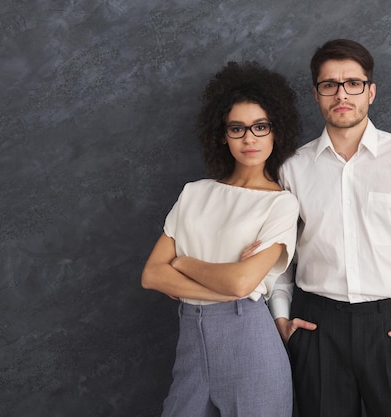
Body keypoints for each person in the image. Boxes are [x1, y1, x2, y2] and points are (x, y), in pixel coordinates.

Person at [267, 39, 391, 417]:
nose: (342, 94)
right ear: (316, 94)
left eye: (353, 83)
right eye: (330, 84)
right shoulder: (292, 168)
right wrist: (281, 318)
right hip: (316, 330)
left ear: (370, 92)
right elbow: (280, 260)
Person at [141, 61, 301, 417]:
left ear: (276, 132)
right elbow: (152, 275)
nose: (249, 138)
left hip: (249, 343)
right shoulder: (194, 194)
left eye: (261, 127)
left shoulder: (281, 204)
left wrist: (183, 264)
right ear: (222, 135)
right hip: (192, 342)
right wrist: (228, 283)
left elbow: (242, 281)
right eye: (237, 128)